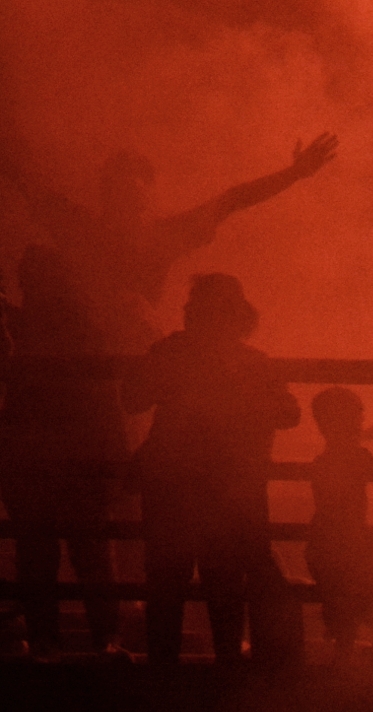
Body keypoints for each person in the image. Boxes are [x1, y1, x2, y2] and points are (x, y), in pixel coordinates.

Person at [0, 136, 338, 350]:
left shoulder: (161, 237)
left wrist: (293, 174)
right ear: (106, 193)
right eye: (118, 191)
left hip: (135, 346)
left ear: (147, 197)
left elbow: (233, 199)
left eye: (134, 192)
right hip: (75, 349)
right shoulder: (80, 228)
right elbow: (24, 181)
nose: (126, 201)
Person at [124, 274, 302, 667]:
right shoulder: (251, 363)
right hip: (230, 488)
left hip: (178, 485)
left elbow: (133, 397)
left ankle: (165, 676)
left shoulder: (174, 354)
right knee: (221, 583)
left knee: (169, 581)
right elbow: (289, 414)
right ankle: (226, 673)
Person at [0, 247, 128, 659]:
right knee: (88, 553)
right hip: (74, 454)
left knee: (40, 552)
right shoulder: (82, 325)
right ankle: (104, 639)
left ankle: (47, 640)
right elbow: (107, 398)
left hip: (38, 455)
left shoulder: (23, 326)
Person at [303, 387, 373, 662]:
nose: (361, 421)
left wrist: (361, 438)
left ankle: (344, 668)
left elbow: (341, 451)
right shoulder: (356, 457)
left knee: (343, 611)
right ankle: (371, 658)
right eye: (357, 416)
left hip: (322, 546)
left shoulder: (324, 460)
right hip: (352, 546)